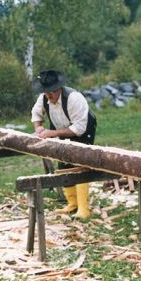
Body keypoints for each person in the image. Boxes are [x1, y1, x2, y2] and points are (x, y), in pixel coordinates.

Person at [31, 69, 97, 218]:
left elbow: (78, 129)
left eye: (51, 93)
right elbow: (36, 114)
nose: (48, 97)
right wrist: (38, 127)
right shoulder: (43, 97)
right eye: (46, 93)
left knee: (80, 165)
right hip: (61, 129)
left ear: (58, 88)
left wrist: (53, 133)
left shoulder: (74, 98)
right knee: (63, 163)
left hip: (83, 129)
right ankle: (72, 203)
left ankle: (83, 209)